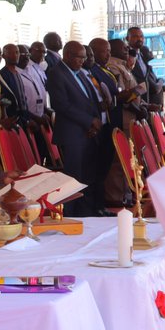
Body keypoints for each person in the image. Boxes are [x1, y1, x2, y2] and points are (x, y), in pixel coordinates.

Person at [46, 41, 105, 216]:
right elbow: (62, 105)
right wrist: (89, 121)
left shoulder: (79, 74)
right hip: (72, 135)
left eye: (84, 57)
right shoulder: (57, 73)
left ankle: (86, 214)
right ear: (68, 55)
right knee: (73, 179)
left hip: (87, 133)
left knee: (87, 177)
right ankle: (70, 215)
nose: (82, 61)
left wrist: (93, 123)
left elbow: (90, 100)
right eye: (79, 57)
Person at [127, 26, 164, 109]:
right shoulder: (126, 56)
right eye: (135, 36)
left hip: (147, 103)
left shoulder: (142, 55)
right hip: (134, 105)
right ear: (127, 38)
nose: (139, 39)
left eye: (141, 36)